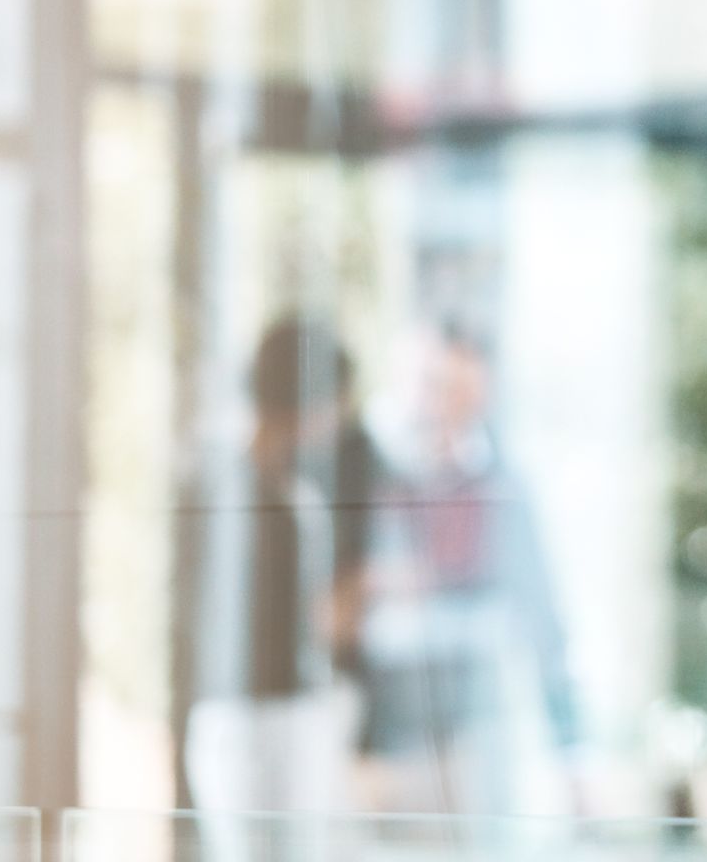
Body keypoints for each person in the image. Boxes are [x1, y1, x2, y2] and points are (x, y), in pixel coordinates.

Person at [353, 321, 584, 815]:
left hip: (471, 731)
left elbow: (543, 620)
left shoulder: (501, 488)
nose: (444, 408)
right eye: (434, 387)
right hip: (373, 731)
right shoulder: (370, 474)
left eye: (461, 393)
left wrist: (570, 752)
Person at [170, 314, 368, 819]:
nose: (340, 420)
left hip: (291, 714)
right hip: (250, 722)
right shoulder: (231, 491)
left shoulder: (295, 487)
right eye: (333, 403)